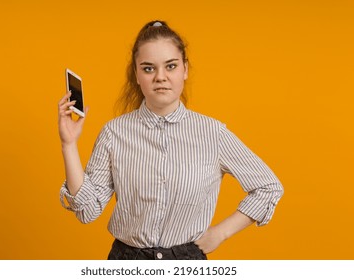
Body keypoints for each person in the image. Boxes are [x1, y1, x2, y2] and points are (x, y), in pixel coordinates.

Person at [58, 20, 284, 260]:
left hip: (187, 261)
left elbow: (268, 187)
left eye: (171, 66)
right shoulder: (115, 133)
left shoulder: (212, 133)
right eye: (148, 68)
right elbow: (87, 211)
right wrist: (69, 145)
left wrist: (220, 233)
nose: (160, 77)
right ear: (136, 74)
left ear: (184, 69)